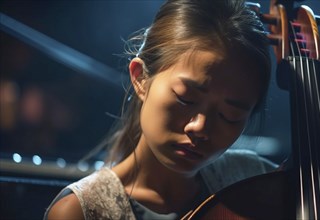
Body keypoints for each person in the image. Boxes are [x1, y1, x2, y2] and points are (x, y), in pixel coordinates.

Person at [45, 0, 276, 219]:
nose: (200, 128)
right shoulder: (81, 212)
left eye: (230, 116)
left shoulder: (256, 180)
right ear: (141, 78)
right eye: (186, 99)